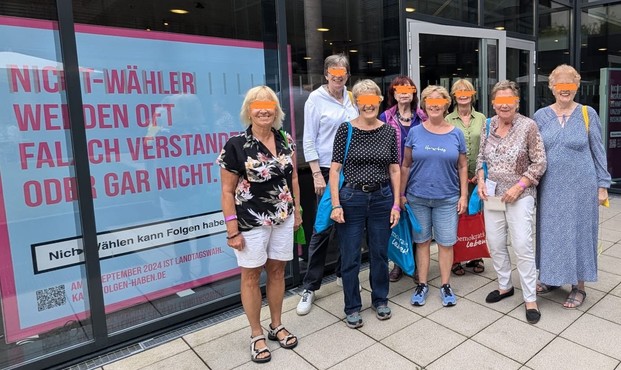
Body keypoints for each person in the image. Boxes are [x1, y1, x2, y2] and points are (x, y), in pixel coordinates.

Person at [218, 86, 302, 363]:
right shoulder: (235, 145)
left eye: (269, 104)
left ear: (276, 109)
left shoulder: (286, 139)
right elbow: (227, 191)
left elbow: (293, 180)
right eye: (257, 104)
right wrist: (232, 230)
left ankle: (276, 324)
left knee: (277, 271)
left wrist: (297, 211)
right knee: (251, 276)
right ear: (249, 110)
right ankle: (256, 333)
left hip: (283, 217)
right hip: (250, 221)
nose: (264, 109)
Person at [533, 64, 611, 309]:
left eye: (570, 85)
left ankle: (579, 286)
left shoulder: (588, 113)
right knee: (551, 232)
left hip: (581, 187)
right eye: (560, 85)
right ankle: (552, 278)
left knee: (579, 234)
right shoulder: (541, 116)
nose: (564, 90)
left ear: (576, 87)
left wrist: (603, 184)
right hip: (550, 187)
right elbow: (533, 153)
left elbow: (598, 151)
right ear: (552, 87)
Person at [329, 79, 400, 328]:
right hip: (352, 199)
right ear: (357, 103)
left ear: (379, 100)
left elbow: (394, 169)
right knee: (350, 256)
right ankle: (352, 306)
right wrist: (336, 205)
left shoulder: (389, 131)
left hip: (382, 198)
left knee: (380, 253)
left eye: (373, 100)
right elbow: (335, 170)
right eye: (363, 100)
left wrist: (396, 205)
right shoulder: (345, 130)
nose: (368, 105)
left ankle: (380, 299)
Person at [477, 80, 547, 324]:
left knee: (522, 246)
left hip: (520, 195)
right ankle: (505, 285)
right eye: (499, 101)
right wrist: (481, 180)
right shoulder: (489, 124)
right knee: (495, 243)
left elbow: (539, 163)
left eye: (509, 101)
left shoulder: (528, 126)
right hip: (493, 194)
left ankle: (530, 298)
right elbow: (480, 158)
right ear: (493, 103)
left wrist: (519, 187)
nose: (504, 106)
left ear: (517, 103)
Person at [297, 54, 359, 315]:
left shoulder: (352, 97)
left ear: (347, 74)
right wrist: (315, 173)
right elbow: (308, 138)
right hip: (324, 168)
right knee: (321, 229)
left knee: (351, 224)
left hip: (353, 169)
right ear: (326, 74)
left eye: (342, 73)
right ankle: (310, 286)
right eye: (334, 73)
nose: (338, 77)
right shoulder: (315, 99)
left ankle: (343, 273)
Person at [400, 85, 468, 308]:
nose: (435, 106)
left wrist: (463, 195)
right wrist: (400, 194)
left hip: (448, 198)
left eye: (439, 102)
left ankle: (446, 284)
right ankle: (422, 284)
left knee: (446, 244)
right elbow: (406, 164)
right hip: (417, 196)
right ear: (425, 105)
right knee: (422, 242)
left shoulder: (456, 133)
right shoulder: (415, 132)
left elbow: (462, 166)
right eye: (431, 102)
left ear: (446, 105)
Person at [379, 75, 426, 282]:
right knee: (396, 220)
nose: (404, 92)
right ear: (394, 94)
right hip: (393, 176)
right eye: (400, 89)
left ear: (414, 93)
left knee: (417, 221)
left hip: (419, 176)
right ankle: (398, 263)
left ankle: (416, 264)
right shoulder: (385, 118)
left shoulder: (423, 117)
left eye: (409, 89)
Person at [446, 79, 487, 276]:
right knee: (456, 217)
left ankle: (476, 254)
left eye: (467, 91)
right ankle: (456, 257)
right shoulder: (446, 119)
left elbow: (486, 148)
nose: (463, 94)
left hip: (477, 177)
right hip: (454, 178)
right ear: (454, 95)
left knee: (475, 216)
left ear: (473, 94)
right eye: (458, 91)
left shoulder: (482, 118)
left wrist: (481, 174)